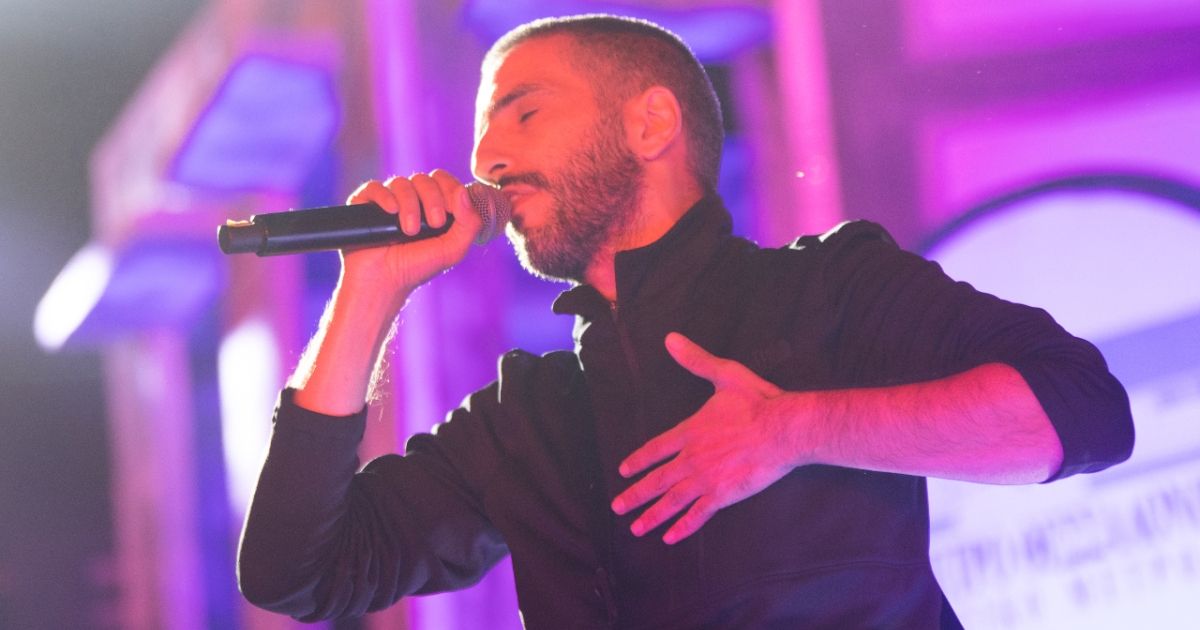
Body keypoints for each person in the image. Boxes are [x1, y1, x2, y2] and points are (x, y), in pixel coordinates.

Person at [237, 15, 1133, 629]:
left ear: (651, 123)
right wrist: (370, 290)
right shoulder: (524, 419)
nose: (488, 158)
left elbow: (1084, 412)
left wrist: (793, 429)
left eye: (524, 112)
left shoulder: (829, 288)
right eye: (481, 138)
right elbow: (296, 572)